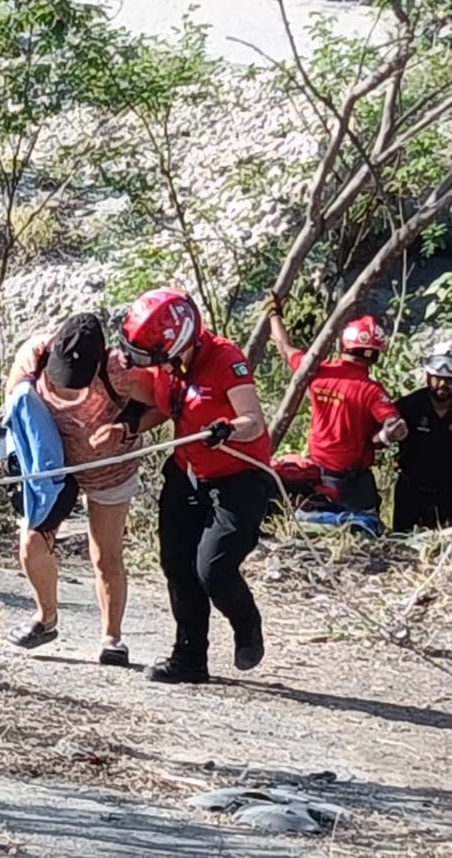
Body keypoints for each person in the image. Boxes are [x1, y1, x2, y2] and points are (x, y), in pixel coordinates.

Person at [121, 287, 273, 684]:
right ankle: (189, 659)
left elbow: (253, 420)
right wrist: (130, 426)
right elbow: (165, 406)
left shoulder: (225, 359)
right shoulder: (168, 366)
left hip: (238, 478)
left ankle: (246, 623)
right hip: (185, 473)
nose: (148, 364)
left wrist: (227, 430)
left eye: (152, 357)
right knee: (177, 565)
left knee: (214, 569)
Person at [2, 312, 163, 667]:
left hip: (110, 468)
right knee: (31, 543)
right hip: (55, 468)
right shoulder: (34, 356)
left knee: (105, 556)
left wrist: (125, 428)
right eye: (61, 377)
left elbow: (161, 405)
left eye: (77, 380)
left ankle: (112, 639)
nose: (67, 387)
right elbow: (15, 403)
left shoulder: (119, 370)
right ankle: (45, 618)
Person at [265, 308, 406, 514]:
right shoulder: (372, 391)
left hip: (317, 472)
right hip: (353, 480)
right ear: (375, 353)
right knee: (365, 525)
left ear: (344, 345)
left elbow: (285, 348)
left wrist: (273, 314)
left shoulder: (317, 372)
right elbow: (396, 427)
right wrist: (380, 438)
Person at [391, 341, 452, 532]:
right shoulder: (409, 406)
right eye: (437, 378)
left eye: (451, 380)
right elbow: (375, 439)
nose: (443, 385)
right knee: (401, 544)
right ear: (427, 375)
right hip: (412, 493)